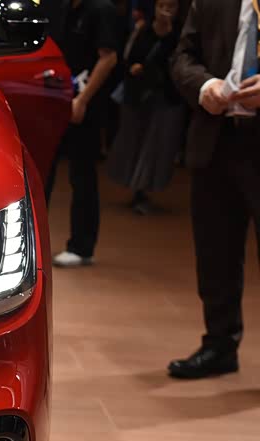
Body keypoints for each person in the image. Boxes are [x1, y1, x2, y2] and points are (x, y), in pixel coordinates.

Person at [169, 0, 260, 378]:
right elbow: (182, 56)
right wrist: (205, 85)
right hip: (216, 140)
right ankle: (220, 346)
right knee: (215, 254)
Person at [46, 0, 119, 268]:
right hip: (57, 100)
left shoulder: (101, 9)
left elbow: (108, 58)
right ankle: (35, 244)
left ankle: (82, 247)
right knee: (44, 173)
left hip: (86, 106)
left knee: (82, 176)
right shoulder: (62, 8)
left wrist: (82, 99)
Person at [107, 0, 186, 214]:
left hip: (165, 98)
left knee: (156, 146)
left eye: (171, 7)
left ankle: (143, 190)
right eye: (162, 6)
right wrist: (134, 68)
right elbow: (127, 56)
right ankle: (137, 190)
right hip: (138, 96)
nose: (165, 11)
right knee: (133, 142)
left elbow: (180, 65)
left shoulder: (180, 35)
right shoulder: (142, 29)